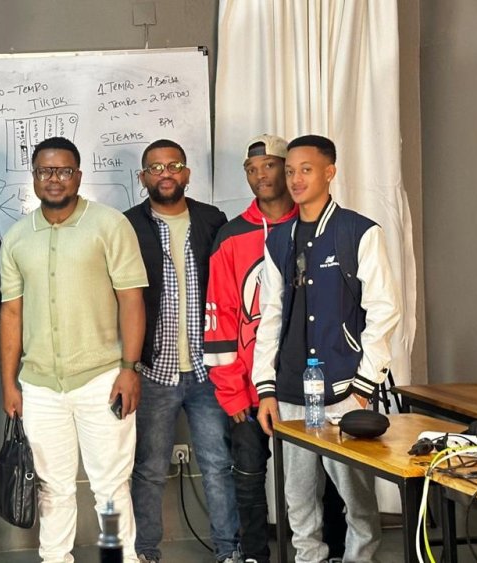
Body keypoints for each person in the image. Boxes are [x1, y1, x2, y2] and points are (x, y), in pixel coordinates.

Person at [253, 135, 400, 562]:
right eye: (290, 170)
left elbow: (385, 310)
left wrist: (364, 385)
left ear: (329, 172)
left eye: (306, 169)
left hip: (343, 390)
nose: (295, 179)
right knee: (298, 500)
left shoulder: (359, 232)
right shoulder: (279, 240)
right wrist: (265, 388)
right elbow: (270, 317)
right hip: (290, 391)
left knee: (356, 497)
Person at [0, 136, 147, 563]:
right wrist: (10, 384)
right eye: (46, 171)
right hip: (40, 386)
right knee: (52, 487)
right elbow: (11, 313)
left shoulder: (109, 225)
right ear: (34, 177)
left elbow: (131, 300)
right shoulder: (17, 236)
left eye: (63, 170)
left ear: (78, 176)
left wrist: (129, 368)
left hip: (102, 379)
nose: (54, 179)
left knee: (111, 486)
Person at [124, 140, 240, 563]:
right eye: (155, 168)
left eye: (173, 165)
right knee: (149, 469)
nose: (165, 173)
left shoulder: (212, 220)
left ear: (187, 173)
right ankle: (146, 551)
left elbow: (228, 290)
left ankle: (229, 550)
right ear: (143, 178)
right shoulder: (127, 225)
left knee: (218, 465)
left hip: (209, 372)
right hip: (154, 370)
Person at [204, 134, 298, 563]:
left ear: (287, 169)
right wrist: (231, 389)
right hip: (246, 385)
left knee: (323, 472)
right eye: (252, 169)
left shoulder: (310, 225)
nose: (261, 175)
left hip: (305, 381)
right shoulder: (231, 236)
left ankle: (329, 551)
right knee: (247, 475)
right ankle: (255, 555)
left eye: (270, 165)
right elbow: (219, 312)